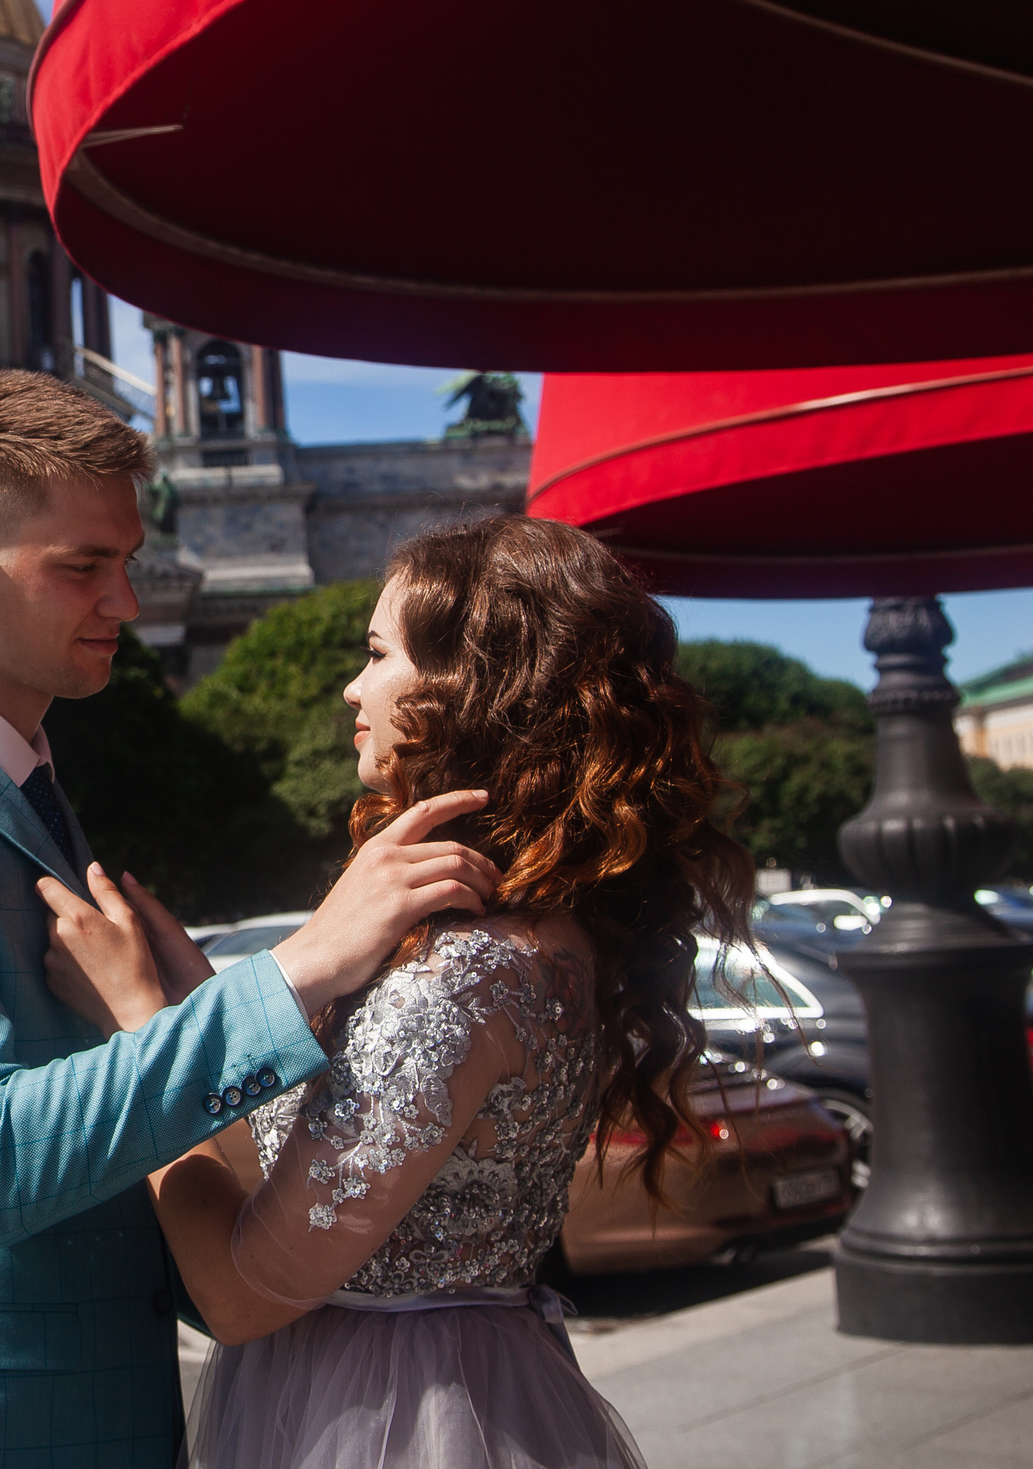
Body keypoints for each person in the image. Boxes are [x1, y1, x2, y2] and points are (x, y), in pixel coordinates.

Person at [0, 372, 500, 1469]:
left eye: (128, 562)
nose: (128, 604)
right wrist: (300, 967)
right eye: (82, 568)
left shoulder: (17, 785)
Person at [41, 515, 756, 1469]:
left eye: (378, 654)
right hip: (449, 1383)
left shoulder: (466, 972)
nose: (352, 686)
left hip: (390, 1416)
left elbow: (242, 1297)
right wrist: (200, 1014)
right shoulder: (527, 934)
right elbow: (308, 1164)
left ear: (473, 690)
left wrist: (136, 1026)